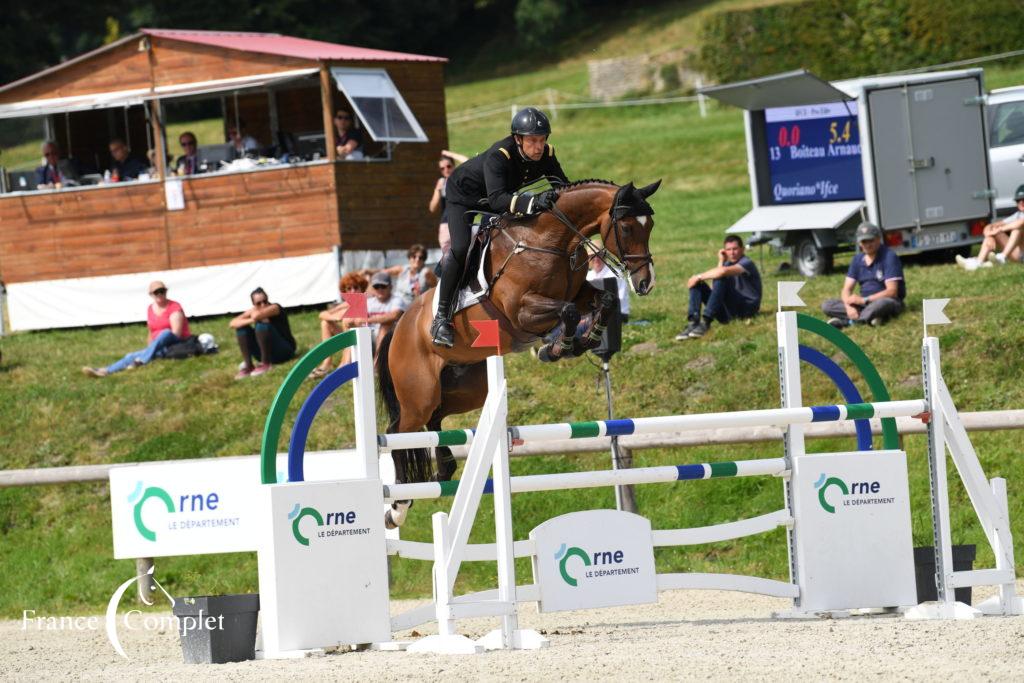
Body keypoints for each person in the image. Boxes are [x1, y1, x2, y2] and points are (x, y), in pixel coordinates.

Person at [431, 107, 569, 347]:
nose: (538, 147)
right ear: (518, 139)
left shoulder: (547, 154)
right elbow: (497, 201)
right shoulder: (500, 154)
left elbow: (564, 188)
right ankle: (441, 318)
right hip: (464, 198)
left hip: (501, 198)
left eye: (542, 140)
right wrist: (535, 201)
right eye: (532, 141)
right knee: (462, 248)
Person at [82, 281, 190, 377]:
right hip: (159, 346)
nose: (160, 294)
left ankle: (141, 361)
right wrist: (150, 348)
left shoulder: (174, 307)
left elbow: (176, 333)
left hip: (176, 343)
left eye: (162, 291)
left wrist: (153, 347)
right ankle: (105, 371)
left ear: (166, 291)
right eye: (157, 292)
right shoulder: (150, 308)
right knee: (131, 355)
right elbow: (151, 331)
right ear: (151, 295)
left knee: (166, 333)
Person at [675, 235, 762, 340]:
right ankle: (693, 322)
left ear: (742, 249)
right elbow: (714, 289)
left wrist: (698, 276)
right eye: (728, 249)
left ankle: (706, 321)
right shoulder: (727, 263)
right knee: (697, 284)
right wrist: (721, 261)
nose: (732, 252)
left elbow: (722, 272)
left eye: (735, 249)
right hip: (728, 312)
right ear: (725, 251)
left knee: (717, 277)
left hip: (746, 310)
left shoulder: (746, 263)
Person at [822, 221, 906, 328]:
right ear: (859, 243)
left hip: (887, 301)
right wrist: (849, 307)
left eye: (870, 240)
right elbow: (846, 289)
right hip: (863, 304)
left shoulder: (889, 257)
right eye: (863, 241)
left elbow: (892, 291)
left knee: (881, 305)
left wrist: (864, 300)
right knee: (828, 305)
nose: (867, 245)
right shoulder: (857, 260)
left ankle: (847, 322)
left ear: (878, 239)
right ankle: (870, 318)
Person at [310, 272, 369, 379]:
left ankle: (344, 364)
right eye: (349, 288)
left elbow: (358, 321)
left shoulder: (365, 301)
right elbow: (322, 314)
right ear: (345, 291)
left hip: (367, 342)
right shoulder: (347, 304)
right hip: (350, 339)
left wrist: (343, 317)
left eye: (356, 287)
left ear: (362, 288)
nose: (353, 291)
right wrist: (336, 318)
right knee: (325, 323)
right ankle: (327, 362)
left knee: (348, 324)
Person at [230, 287, 297, 379]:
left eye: (265, 301)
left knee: (261, 325)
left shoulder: (275, 307)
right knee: (242, 329)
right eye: (258, 303)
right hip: (266, 352)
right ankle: (249, 366)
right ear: (253, 304)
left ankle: (266, 364)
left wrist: (253, 316)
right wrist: (251, 320)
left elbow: (257, 315)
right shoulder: (253, 310)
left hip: (285, 351)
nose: (263, 305)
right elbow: (233, 323)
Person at [956, 184, 1024, 270]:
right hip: (1018, 254)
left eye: (1023, 200)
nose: (1021, 203)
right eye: (1018, 201)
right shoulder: (1018, 215)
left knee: (1017, 230)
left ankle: (1002, 257)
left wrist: (998, 229)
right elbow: (993, 225)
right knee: (994, 231)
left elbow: (1020, 223)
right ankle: (978, 263)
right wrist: (989, 233)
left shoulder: (1020, 218)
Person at [370, 244, 438, 308]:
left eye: (421, 257)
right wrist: (367, 272)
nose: (417, 259)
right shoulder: (402, 269)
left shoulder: (426, 273)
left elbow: (436, 291)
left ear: (424, 260)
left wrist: (422, 297)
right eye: (414, 256)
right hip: (397, 305)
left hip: (416, 308)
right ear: (409, 257)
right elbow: (382, 272)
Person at [429, 151, 468, 255]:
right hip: (446, 223)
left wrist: (451, 155)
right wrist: (437, 190)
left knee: (463, 253)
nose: (446, 170)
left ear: (454, 166)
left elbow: (467, 161)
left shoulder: (459, 178)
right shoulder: (442, 182)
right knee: (447, 256)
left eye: (449, 166)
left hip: (461, 221)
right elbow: (432, 208)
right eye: (442, 168)